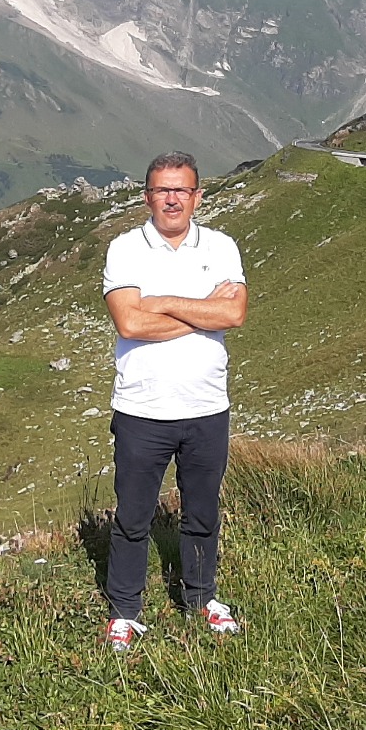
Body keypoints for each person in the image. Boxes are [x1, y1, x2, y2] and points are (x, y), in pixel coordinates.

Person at [99, 151, 249, 651]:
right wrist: (205, 310)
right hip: (143, 409)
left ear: (197, 196)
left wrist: (160, 301)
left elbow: (235, 316)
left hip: (207, 408)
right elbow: (129, 323)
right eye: (162, 190)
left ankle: (202, 598)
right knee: (133, 516)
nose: (171, 199)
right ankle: (125, 611)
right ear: (147, 197)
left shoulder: (222, 246)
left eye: (180, 190)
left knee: (203, 511)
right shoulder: (125, 248)